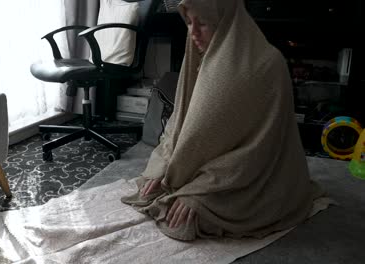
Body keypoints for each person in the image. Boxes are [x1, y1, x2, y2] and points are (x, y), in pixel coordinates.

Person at [121, 0, 322, 241]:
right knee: (152, 190)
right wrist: (163, 164)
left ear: (228, 23)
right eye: (189, 22)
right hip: (200, 163)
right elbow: (180, 121)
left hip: (248, 174)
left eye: (203, 23)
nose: (193, 32)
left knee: (188, 221)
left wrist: (201, 190)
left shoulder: (267, 66)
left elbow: (261, 150)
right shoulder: (199, 52)